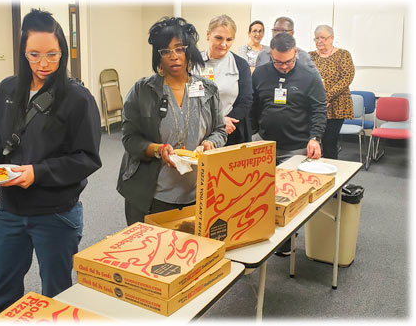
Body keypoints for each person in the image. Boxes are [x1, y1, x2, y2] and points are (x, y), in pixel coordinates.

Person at [0, 9, 102, 318]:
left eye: (52, 55)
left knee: (57, 297)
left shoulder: (77, 98)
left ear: (62, 51)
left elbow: (88, 158)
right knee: (2, 293)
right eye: (34, 55)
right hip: (10, 209)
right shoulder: (7, 90)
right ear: (23, 53)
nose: (43, 65)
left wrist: (37, 173)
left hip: (56, 213)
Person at [117, 17, 227, 226]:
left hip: (197, 192)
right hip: (152, 194)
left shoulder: (208, 90)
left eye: (179, 49)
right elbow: (129, 138)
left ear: (189, 51)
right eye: (165, 51)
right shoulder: (142, 91)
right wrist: (157, 149)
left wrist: (211, 143)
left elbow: (220, 130)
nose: (174, 57)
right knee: (150, 254)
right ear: (158, 56)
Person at [252, 33, 326, 256]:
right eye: (278, 62)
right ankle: (259, 235)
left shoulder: (309, 76)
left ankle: (286, 242)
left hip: (295, 146)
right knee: (260, 193)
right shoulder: (261, 74)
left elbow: (319, 110)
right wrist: (254, 134)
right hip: (264, 143)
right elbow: (253, 106)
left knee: (287, 196)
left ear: (296, 53)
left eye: (288, 61)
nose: (283, 67)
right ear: (270, 55)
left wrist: (316, 137)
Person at [195, 14, 252, 146]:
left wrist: (225, 122)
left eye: (229, 39)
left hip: (230, 130)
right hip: (199, 131)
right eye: (218, 38)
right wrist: (218, 121)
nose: (223, 44)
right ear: (208, 35)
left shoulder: (240, 64)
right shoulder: (193, 62)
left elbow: (246, 100)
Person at [309, 25, 355, 159]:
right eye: (316, 38)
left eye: (322, 38)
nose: (319, 41)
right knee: (313, 141)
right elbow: (304, 78)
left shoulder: (343, 55)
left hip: (336, 105)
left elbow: (347, 78)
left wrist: (326, 98)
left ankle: (330, 173)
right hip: (314, 105)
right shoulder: (310, 56)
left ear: (332, 38)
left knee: (329, 141)